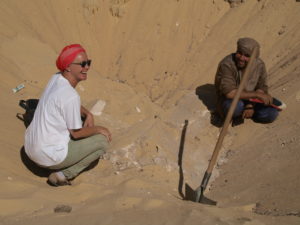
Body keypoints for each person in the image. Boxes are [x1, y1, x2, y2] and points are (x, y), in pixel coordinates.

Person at [25, 44, 112, 186]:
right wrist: (99, 129)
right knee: (101, 142)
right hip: (46, 156)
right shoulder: (70, 96)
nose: (87, 67)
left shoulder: (56, 78)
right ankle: (63, 174)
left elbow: (63, 101)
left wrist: (87, 113)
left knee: (80, 119)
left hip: (30, 149)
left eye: (88, 62)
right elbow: (76, 134)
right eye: (82, 64)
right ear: (68, 67)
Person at [214, 37, 278, 125]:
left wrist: (250, 105)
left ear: (253, 58)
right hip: (231, 100)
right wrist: (256, 95)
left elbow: (261, 87)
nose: (241, 58)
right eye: (239, 53)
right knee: (236, 106)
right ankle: (235, 116)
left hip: (251, 100)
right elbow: (230, 93)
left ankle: (248, 113)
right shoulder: (227, 64)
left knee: (271, 113)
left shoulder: (259, 65)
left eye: (247, 56)